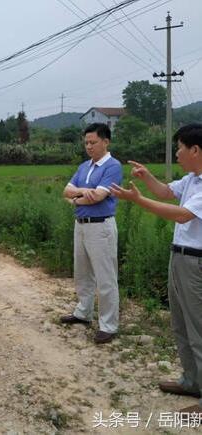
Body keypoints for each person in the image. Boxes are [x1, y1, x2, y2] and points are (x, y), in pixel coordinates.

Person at [110, 123, 202, 415]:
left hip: (196, 263)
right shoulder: (191, 180)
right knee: (181, 324)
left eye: (180, 148)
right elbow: (165, 193)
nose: (177, 154)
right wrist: (147, 177)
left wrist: (137, 200)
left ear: (196, 150)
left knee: (199, 328)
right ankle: (191, 381)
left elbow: (182, 215)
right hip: (180, 258)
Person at [61, 123, 123, 344]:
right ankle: (83, 312)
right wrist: (81, 193)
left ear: (105, 142)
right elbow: (65, 191)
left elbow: (97, 197)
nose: (89, 146)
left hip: (101, 226)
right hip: (81, 224)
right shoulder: (84, 166)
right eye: (86, 142)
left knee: (105, 276)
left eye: (93, 142)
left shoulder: (113, 166)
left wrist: (76, 198)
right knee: (82, 272)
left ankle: (108, 325)